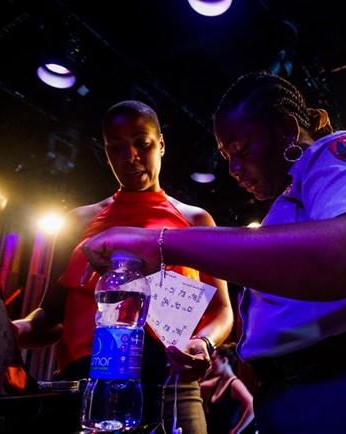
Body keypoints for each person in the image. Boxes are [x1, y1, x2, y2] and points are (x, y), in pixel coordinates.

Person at [80, 70, 346, 433]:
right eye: (225, 156)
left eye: (240, 149)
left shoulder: (343, 151)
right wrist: (207, 346)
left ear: (285, 128)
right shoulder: (291, 206)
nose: (232, 168)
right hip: (321, 392)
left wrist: (159, 242)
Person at [13, 100, 234, 433]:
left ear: (160, 144)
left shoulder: (194, 220)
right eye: (116, 148)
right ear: (105, 152)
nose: (129, 156)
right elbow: (52, 315)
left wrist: (203, 344)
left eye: (141, 143)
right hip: (82, 389)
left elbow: (222, 310)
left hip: (170, 388)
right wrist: (10, 333)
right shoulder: (79, 221)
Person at [199, 342, 255, 434]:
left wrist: (236, 430)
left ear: (224, 360)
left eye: (213, 359)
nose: (211, 363)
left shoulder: (235, 384)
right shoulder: (217, 382)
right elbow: (196, 387)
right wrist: (207, 370)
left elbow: (252, 406)